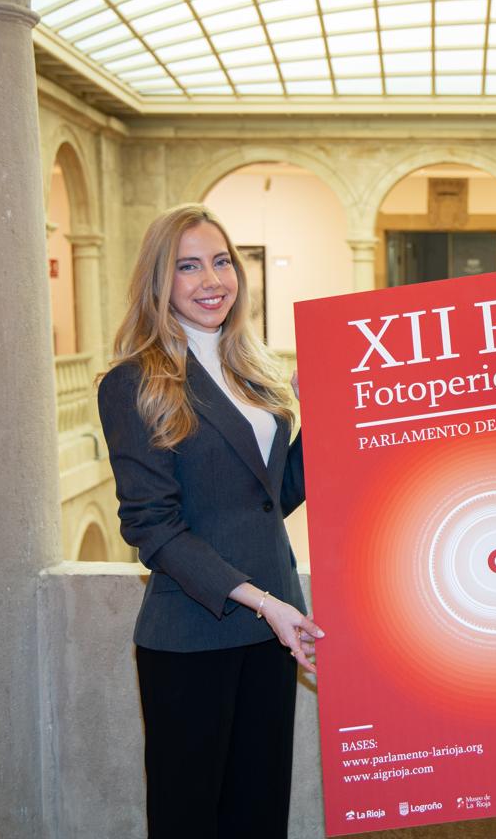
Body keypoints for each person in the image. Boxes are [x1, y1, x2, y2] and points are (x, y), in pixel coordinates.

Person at [97, 203, 323, 838]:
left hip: (269, 632)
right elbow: (154, 529)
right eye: (188, 266)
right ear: (159, 282)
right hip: (194, 637)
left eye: (221, 262)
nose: (211, 280)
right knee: (190, 822)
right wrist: (265, 603)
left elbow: (271, 497)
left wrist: (321, 414)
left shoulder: (253, 371)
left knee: (258, 817)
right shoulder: (133, 381)